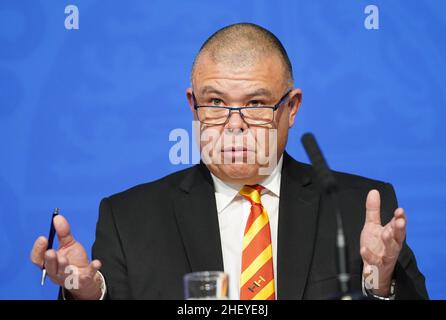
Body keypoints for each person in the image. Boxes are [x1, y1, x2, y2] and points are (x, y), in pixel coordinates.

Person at [30, 23, 428, 300]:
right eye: (216, 103)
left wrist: (378, 282)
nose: (233, 126)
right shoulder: (128, 217)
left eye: (255, 104)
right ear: (193, 105)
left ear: (291, 108)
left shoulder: (357, 208)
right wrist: (86, 293)